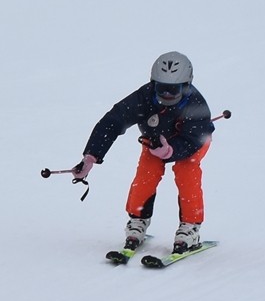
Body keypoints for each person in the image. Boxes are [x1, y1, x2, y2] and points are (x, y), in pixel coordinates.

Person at [71, 51, 215, 253]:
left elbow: (195, 139)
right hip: (154, 143)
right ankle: (138, 220)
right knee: (146, 173)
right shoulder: (144, 97)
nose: (166, 95)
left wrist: (171, 151)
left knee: (186, 171)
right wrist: (91, 156)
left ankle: (190, 228)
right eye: (161, 88)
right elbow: (113, 121)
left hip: (192, 143)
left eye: (173, 90)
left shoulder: (196, 105)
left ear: (186, 86)